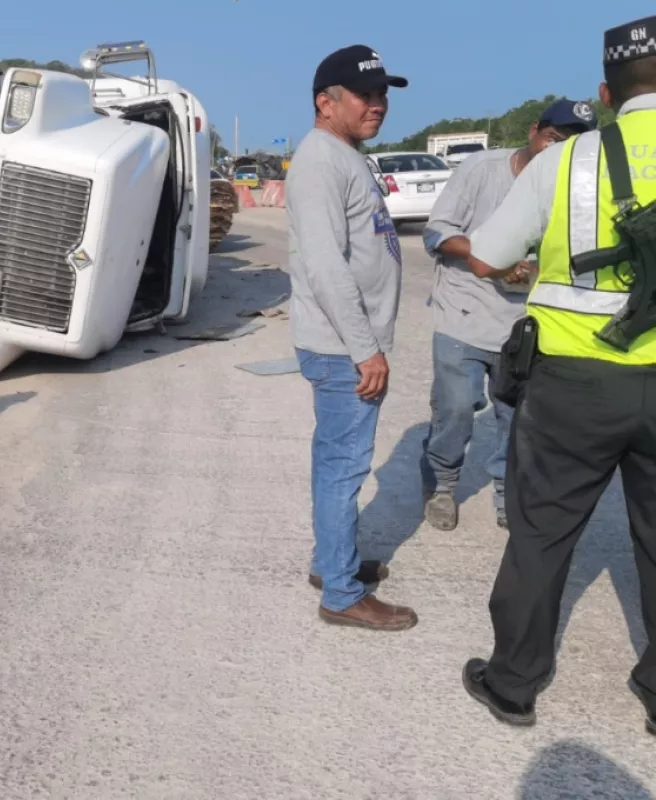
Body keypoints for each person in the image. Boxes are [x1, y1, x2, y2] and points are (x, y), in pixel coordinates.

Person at [451, 14, 656, 733]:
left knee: (541, 532)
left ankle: (513, 686)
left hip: (572, 382)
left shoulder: (564, 160)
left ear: (606, 92)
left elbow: (484, 255)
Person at [284, 45, 417, 631]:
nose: (378, 105)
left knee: (334, 464)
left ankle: (328, 561)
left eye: (383, 94)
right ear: (326, 102)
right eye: (366, 95)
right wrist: (366, 348)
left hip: (347, 344)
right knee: (343, 469)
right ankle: (340, 593)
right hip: (344, 350)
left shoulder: (346, 155)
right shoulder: (319, 162)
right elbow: (326, 266)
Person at [419, 99, 598, 532]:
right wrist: (492, 257)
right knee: (457, 407)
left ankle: (507, 492)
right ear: (534, 130)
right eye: (553, 140)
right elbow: (438, 232)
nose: (557, 153)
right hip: (464, 307)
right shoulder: (481, 170)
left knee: (515, 417)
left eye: (569, 146)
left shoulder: (574, 185)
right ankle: (441, 482)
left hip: (525, 320)